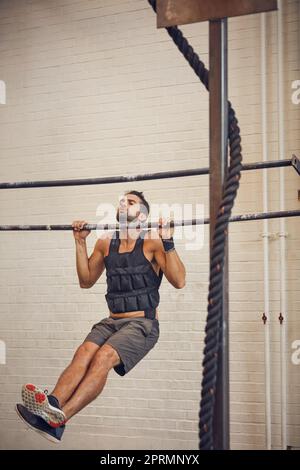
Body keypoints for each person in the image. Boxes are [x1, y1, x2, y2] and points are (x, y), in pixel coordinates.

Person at [16, 190, 186, 443]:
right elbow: (86, 281)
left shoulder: (153, 242)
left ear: (141, 214)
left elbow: (179, 281)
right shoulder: (105, 243)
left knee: (104, 357)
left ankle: (60, 419)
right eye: (121, 201)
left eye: (130, 202)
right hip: (112, 320)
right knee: (84, 352)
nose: (122, 204)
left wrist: (169, 241)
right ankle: (51, 404)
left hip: (142, 323)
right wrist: (79, 241)